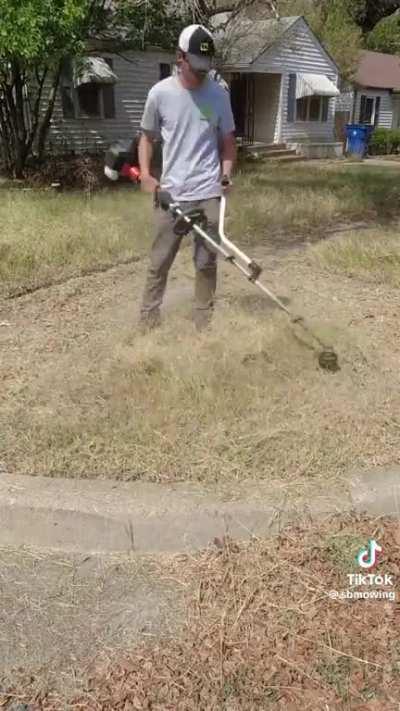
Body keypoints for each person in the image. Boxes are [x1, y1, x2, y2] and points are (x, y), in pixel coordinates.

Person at [138, 24, 237, 331]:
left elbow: (228, 141)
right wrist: (145, 174)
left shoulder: (218, 95)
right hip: (172, 194)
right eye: (196, 67)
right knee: (159, 262)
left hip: (209, 191)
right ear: (180, 57)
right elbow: (147, 138)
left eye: (206, 67)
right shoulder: (160, 94)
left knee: (207, 262)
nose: (202, 73)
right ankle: (148, 322)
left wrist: (225, 174)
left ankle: (202, 323)